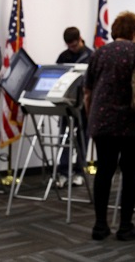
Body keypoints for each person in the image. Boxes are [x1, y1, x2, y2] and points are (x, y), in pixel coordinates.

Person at [84, 11, 135, 241]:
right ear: (133, 32)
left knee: (104, 171)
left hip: (103, 122)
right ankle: (125, 227)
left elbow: (87, 92)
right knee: (130, 174)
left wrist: (92, 119)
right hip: (132, 122)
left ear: (116, 31)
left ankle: (100, 226)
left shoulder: (98, 54)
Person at [55, 27, 93, 188]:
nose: (72, 48)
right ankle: (63, 172)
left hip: (84, 105)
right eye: (69, 46)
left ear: (80, 39)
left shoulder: (91, 56)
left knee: (83, 139)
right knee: (64, 138)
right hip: (67, 104)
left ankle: (79, 172)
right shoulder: (63, 57)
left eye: (74, 45)